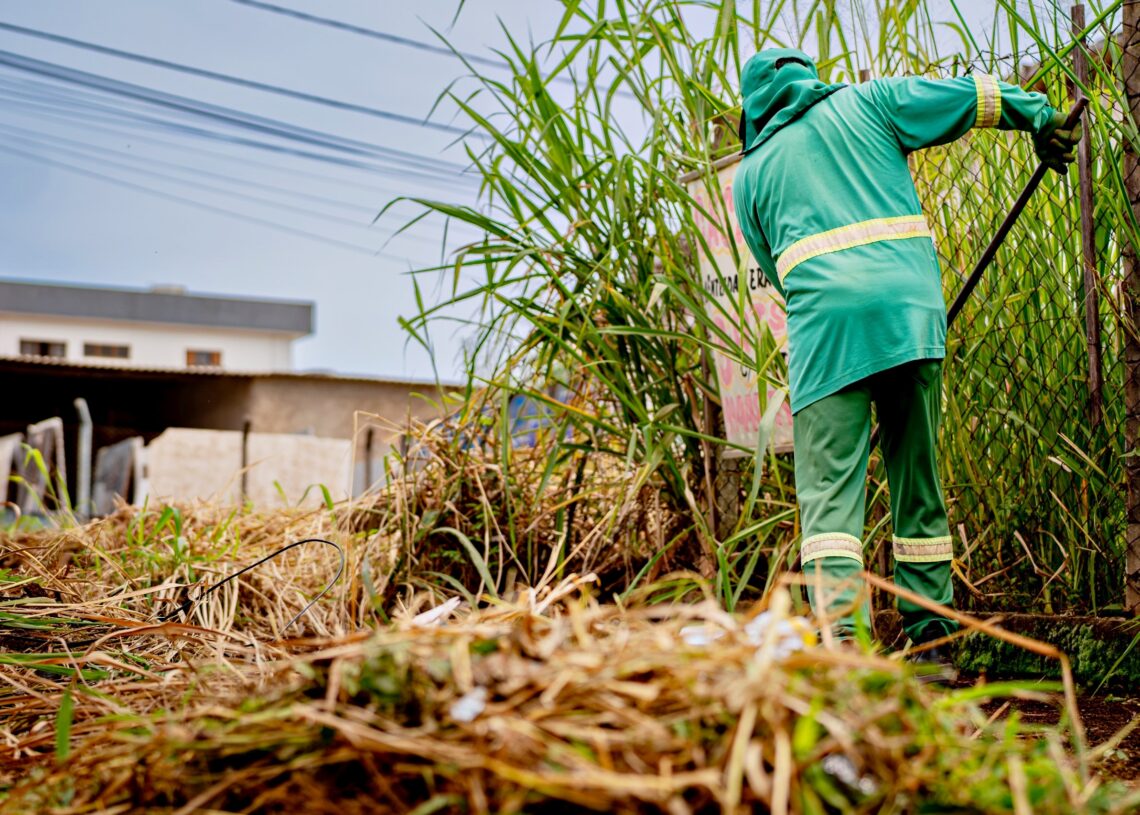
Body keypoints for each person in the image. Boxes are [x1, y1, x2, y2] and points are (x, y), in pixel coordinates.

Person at [731, 49, 1080, 667]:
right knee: (917, 481)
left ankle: (847, 648)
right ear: (809, 78)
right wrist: (1041, 117)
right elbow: (968, 97)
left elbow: (780, 275)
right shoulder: (869, 102)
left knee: (830, 501)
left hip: (829, 334)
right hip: (911, 318)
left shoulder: (751, 175)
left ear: (753, 109)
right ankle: (934, 644)